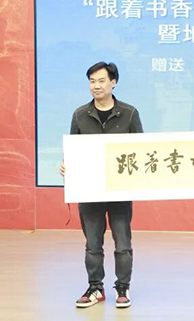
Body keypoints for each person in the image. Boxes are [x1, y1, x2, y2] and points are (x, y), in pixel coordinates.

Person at [59, 62, 143, 309]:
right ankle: (95, 288)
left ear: (113, 82)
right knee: (93, 245)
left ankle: (122, 288)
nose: (96, 86)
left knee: (123, 244)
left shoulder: (129, 113)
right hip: (89, 190)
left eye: (101, 81)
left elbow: (141, 151)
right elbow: (73, 150)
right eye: (92, 81)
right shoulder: (80, 115)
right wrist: (66, 165)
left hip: (119, 189)